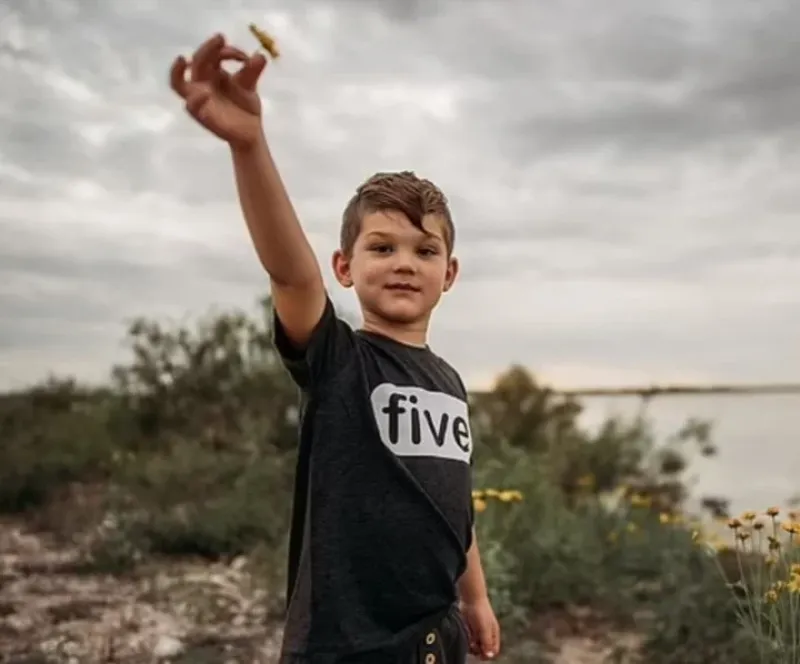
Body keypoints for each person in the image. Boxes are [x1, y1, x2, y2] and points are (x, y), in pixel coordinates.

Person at [169, 33, 501, 664]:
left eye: (424, 250)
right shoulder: (340, 360)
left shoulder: (450, 383)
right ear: (345, 267)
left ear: (449, 274)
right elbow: (291, 274)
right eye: (382, 247)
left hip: (435, 639)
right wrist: (250, 145)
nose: (404, 263)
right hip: (345, 647)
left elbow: (453, 503)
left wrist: (475, 599)